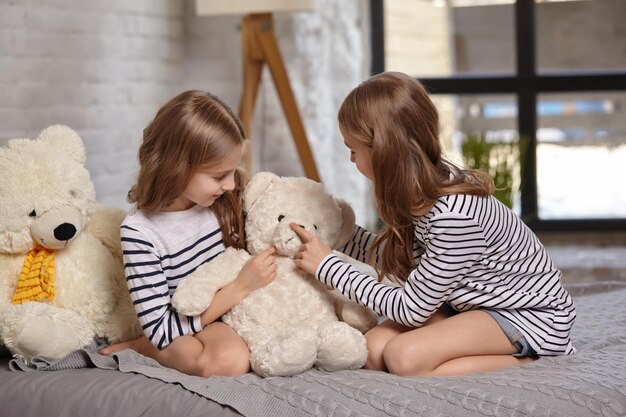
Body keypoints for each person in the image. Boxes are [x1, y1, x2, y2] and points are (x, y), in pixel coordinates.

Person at [291, 71, 576, 377]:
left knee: (404, 358)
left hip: (525, 316)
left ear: (383, 153)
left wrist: (329, 267)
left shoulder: (454, 215)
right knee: (372, 352)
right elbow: (399, 257)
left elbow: (411, 309)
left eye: (353, 150)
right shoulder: (421, 191)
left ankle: (532, 359)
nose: (351, 160)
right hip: (469, 304)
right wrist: (334, 232)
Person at [100, 90, 277, 377]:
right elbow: (161, 329)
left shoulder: (224, 199)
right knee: (228, 362)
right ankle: (146, 349)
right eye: (219, 176)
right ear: (176, 168)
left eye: (233, 171)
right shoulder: (140, 233)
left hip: (236, 314)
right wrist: (240, 287)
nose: (231, 185)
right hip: (186, 325)